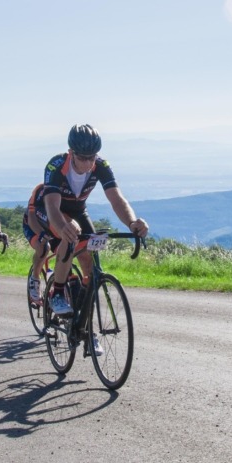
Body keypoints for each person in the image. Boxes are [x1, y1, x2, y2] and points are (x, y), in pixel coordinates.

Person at [36, 124, 149, 355]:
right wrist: (63, 228)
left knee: (90, 264)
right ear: (71, 152)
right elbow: (52, 206)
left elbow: (117, 199)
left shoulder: (101, 165)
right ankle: (57, 291)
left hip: (79, 209)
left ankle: (85, 325)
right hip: (55, 211)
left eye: (92, 157)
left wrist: (133, 223)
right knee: (71, 235)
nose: (88, 163)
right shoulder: (56, 165)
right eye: (83, 157)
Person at [22, 182, 49, 305]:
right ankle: (35, 279)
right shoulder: (40, 190)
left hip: (51, 224)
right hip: (32, 225)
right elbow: (32, 219)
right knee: (43, 248)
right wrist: (42, 234)